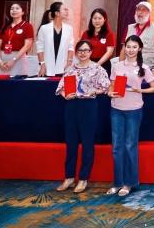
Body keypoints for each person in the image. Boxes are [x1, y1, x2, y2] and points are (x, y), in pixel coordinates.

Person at [54, 39, 110, 193]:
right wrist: (65, 95)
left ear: (91, 52)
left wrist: (95, 91)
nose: (83, 53)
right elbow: (61, 88)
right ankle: (69, 177)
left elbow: (106, 87)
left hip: (88, 106)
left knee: (87, 143)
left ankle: (83, 178)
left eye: (86, 50)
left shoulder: (97, 69)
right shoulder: (71, 69)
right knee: (71, 142)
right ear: (77, 53)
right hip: (72, 106)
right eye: (80, 51)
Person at [106, 35, 154, 197]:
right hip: (116, 109)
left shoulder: (144, 68)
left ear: (139, 49)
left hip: (134, 110)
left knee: (130, 146)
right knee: (116, 148)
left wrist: (139, 90)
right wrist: (110, 92)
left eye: (134, 47)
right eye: (128, 46)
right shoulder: (117, 66)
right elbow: (111, 85)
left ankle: (129, 183)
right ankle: (117, 182)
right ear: (124, 48)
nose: (131, 50)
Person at [121, 1, 154, 76]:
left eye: (144, 10)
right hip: (129, 68)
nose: (140, 12)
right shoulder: (129, 27)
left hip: (147, 69)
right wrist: (121, 68)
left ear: (149, 13)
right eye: (138, 9)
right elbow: (123, 50)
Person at [0, 2, 35, 76]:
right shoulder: (5, 26)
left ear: (23, 12)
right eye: (12, 9)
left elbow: (27, 46)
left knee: (16, 81)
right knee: (1, 81)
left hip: (18, 59)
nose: (14, 10)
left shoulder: (27, 26)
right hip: (3, 60)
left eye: (17, 8)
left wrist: (13, 60)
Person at [37, 2, 75, 76]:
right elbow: (40, 49)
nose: (67, 11)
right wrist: (42, 65)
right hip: (47, 68)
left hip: (64, 67)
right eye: (65, 9)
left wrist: (69, 62)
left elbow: (71, 47)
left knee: (67, 83)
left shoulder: (69, 28)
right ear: (57, 13)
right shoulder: (44, 28)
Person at [80, 8, 116, 74]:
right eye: (95, 18)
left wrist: (97, 65)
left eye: (99, 18)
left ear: (104, 19)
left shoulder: (109, 34)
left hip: (103, 64)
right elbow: (81, 49)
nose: (97, 21)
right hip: (87, 63)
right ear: (91, 19)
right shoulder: (86, 33)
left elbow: (109, 52)